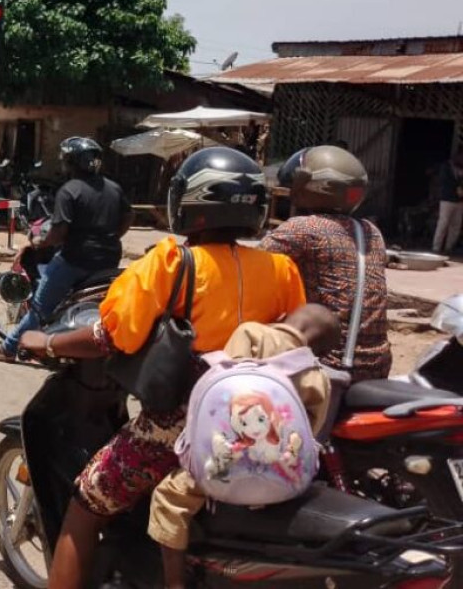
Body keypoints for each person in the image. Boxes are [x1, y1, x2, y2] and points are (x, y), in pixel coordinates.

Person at [19, 148, 306, 589]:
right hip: (257, 420)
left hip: (181, 425)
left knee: (84, 501)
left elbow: (111, 336)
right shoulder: (282, 269)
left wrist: (48, 340)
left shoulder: (172, 262)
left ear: (188, 203)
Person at [149, 304, 339, 588]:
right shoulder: (318, 376)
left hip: (230, 461)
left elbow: (226, 388)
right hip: (282, 474)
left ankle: (174, 581)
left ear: (283, 318)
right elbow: (310, 429)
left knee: (168, 500)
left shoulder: (252, 333)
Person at [0, 137, 130, 364]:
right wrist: (110, 237)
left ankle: (8, 348)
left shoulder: (69, 191)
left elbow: (58, 232)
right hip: (109, 261)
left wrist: (38, 243)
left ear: (70, 162)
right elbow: (128, 218)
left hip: (74, 260)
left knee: (40, 309)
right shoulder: (114, 188)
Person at [262, 146, 391, 382]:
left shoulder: (303, 228)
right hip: (378, 364)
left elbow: (254, 263)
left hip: (328, 364)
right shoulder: (371, 232)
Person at [432, 150, 463, 256]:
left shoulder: (461, 169)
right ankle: (436, 247)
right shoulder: (446, 167)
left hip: (459, 201)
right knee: (443, 223)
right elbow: (444, 181)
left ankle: (449, 247)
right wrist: (456, 188)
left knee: (455, 225)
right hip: (447, 199)